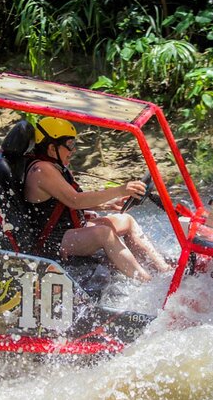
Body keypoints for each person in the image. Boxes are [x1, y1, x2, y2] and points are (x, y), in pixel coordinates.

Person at [24, 117, 172, 282]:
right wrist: (120, 189)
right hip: (53, 240)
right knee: (104, 234)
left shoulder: (56, 166)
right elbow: (75, 200)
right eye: (70, 145)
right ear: (52, 148)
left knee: (126, 220)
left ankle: (165, 272)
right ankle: (147, 282)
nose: (73, 151)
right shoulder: (41, 170)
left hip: (72, 228)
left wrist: (109, 205)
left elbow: (71, 202)